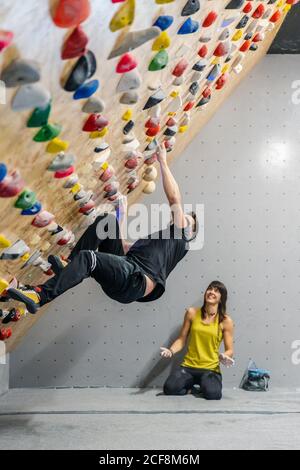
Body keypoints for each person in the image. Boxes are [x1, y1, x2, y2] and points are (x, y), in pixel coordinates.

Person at [7, 145, 199, 313]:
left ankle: (40, 296)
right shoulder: (159, 244)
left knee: (88, 258)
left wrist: (163, 162)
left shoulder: (182, 239)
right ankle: (69, 264)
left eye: (186, 221)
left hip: (134, 281)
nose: (181, 220)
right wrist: (121, 215)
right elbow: (122, 247)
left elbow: (175, 199)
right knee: (106, 222)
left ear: (189, 234)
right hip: (127, 271)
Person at [161, 281, 234, 400]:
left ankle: (205, 386)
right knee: (169, 388)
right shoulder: (192, 313)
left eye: (216, 291)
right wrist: (171, 351)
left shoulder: (226, 321)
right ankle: (192, 389)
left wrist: (224, 356)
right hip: (188, 366)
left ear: (221, 298)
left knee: (213, 395)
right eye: (209, 289)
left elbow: (230, 350)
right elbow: (181, 339)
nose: (211, 292)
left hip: (210, 369)